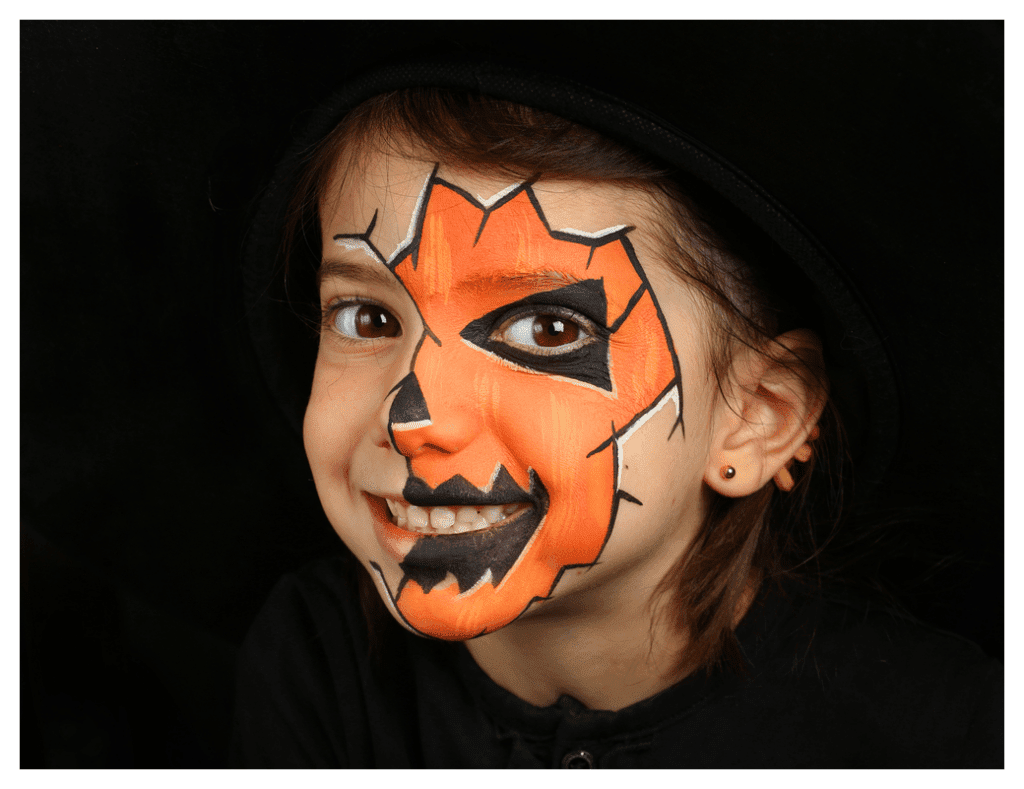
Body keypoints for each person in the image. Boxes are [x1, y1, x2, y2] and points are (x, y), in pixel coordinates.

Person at [229, 78, 1002, 767]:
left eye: (550, 330)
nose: (415, 418)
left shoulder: (939, 733)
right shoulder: (315, 663)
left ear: (756, 418)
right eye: (366, 316)